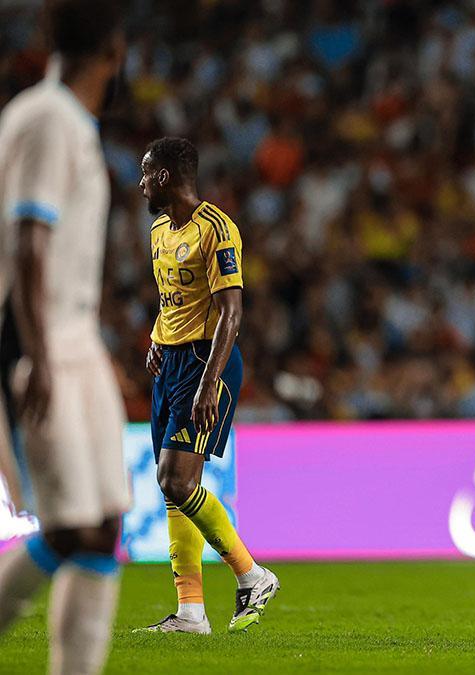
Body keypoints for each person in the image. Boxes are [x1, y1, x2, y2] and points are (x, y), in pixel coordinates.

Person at [0, 2, 128, 673]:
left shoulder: (63, 120)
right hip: (41, 341)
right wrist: (40, 356)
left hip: (74, 339)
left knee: (102, 526)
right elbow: (29, 238)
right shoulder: (50, 119)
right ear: (117, 48)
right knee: (72, 527)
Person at [134, 137, 279, 634]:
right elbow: (174, 297)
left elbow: (231, 312)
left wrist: (208, 383)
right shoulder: (158, 231)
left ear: (168, 177)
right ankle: (191, 612)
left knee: (178, 480)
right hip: (169, 362)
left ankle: (252, 575)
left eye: (146, 173)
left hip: (205, 362)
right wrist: (156, 336)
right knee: (171, 489)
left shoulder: (218, 229)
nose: (140, 183)